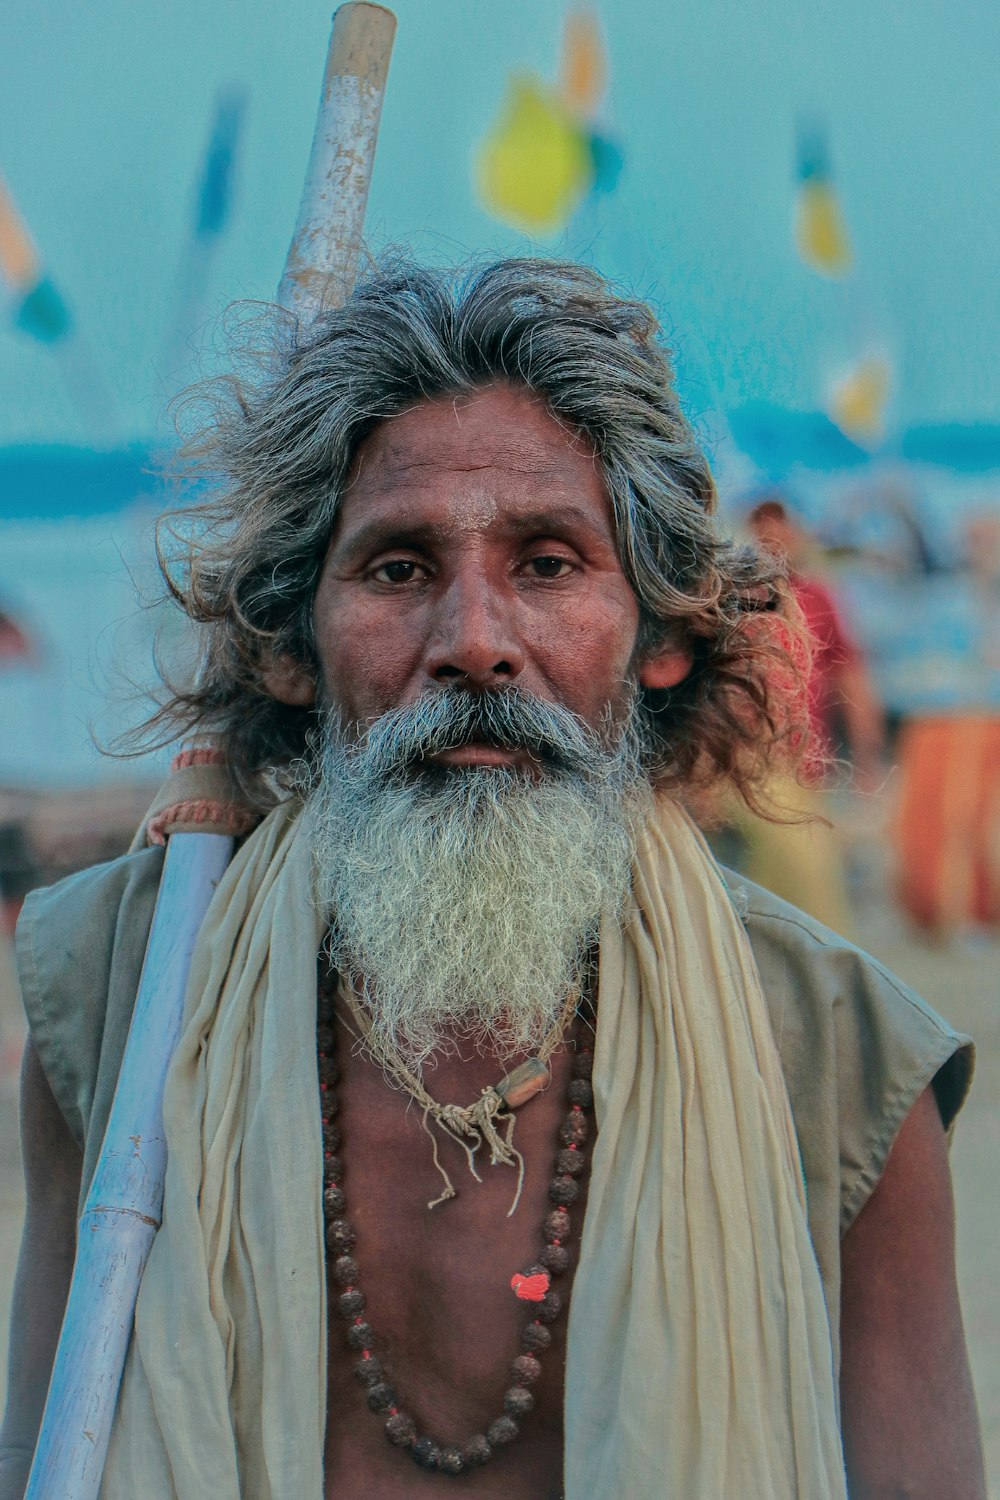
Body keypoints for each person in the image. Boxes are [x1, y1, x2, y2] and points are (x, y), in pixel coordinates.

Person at [0, 259, 985, 1499]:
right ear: (293, 649)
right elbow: (44, 1452)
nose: (473, 639)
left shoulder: (836, 1062)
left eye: (550, 563)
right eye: (399, 568)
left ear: (664, 635)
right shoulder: (127, 1000)